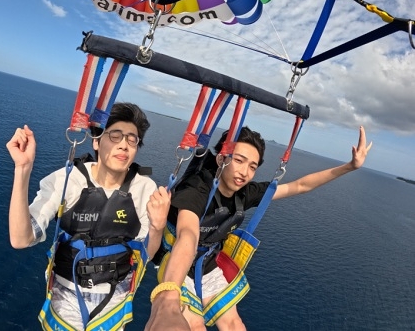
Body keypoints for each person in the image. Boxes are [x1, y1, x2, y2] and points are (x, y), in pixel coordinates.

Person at [146, 125, 372, 331]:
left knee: (235, 325)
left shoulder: (245, 194)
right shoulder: (197, 189)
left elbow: (300, 186)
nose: (244, 172)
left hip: (207, 264)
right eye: (239, 160)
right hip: (176, 260)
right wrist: (169, 296)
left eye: (252, 166)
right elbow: (188, 235)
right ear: (221, 158)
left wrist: (350, 167)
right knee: (195, 325)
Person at [6, 102, 170, 330]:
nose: (124, 145)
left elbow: (146, 255)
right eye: (115, 135)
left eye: (132, 139)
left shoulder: (144, 188)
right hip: (65, 294)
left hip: (115, 297)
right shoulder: (67, 180)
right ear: (96, 141)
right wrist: (22, 169)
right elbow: (21, 239)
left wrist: (158, 227)